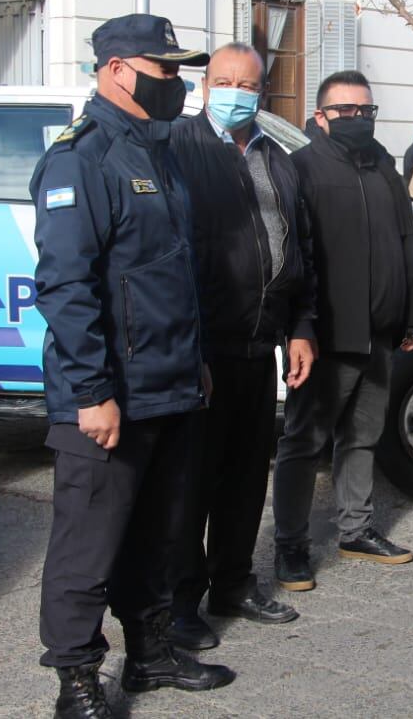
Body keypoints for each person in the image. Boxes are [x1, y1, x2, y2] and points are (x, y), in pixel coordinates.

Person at [31, 14, 233, 719]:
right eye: (165, 69)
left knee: (158, 534)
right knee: (88, 546)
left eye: (180, 71)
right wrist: (91, 392)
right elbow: (65, 285)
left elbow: (171, 273)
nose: (177, 84)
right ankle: (77, 679)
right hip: (109, 394)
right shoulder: (80, 158)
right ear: (118, 68)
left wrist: (196, 359)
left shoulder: (157, 152)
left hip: (170, 384)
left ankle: (148, 654)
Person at [165, 43, 317, 651]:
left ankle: (232, 581)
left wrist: (302, 325)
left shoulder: (279, 159)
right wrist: (187, 347)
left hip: (259, 348)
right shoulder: (178, 148)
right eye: (222, 80)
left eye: (245, 83)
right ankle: (179, 601)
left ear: (262, 89)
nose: (233, 91)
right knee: (191, 483)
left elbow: (299, 250)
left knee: (245, 477)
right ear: (205, 86)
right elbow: (169, 255)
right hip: (201, 350)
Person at [271, 70, 413, 591]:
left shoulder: (383, 165)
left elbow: (407, 243)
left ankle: (355, 531)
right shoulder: (301, 169)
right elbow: (296, 259)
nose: (357, 118)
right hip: (325, 337)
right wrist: (301, 327)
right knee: (303, 442)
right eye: (345, 111)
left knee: (362, 437)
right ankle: (290, 547)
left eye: (366, 110)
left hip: (379, 332)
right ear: (320, 117)